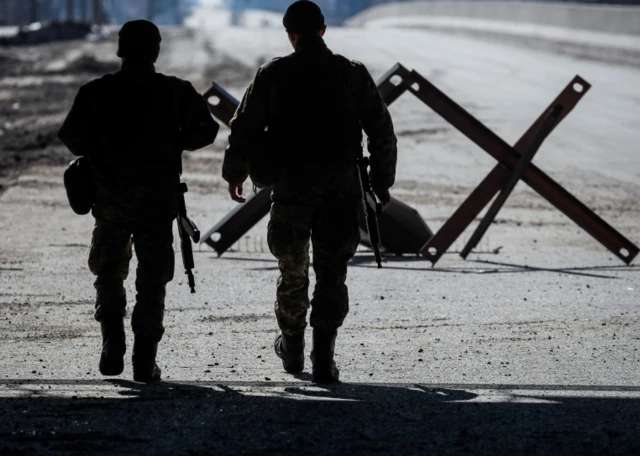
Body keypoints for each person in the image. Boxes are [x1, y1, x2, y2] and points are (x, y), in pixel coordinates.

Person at [222, 1, 397, 383]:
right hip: (341, 189)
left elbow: (245, 128)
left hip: (291, 188)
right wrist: (381, 184)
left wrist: (234, 172)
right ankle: (323, 358)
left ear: (291, 35)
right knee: (332, 273)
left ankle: (292, 348)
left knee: (292, 270)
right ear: (323, 31)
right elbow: (382, 130)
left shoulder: (274, 74)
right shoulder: (351, 74)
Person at [58, 20, 218, 382]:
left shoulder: (96, 91)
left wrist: (103, 147)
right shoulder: (174, 91)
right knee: (152, 279)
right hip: (157, 201)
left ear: (120, 50)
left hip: (111, 199)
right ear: (156, 51)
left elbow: (71, 136)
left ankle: (112, 337)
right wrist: (174, 140)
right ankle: (144, 360)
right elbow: (206, 130)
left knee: (109, 272)